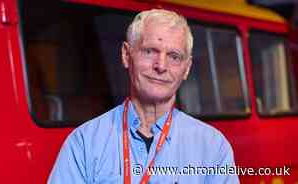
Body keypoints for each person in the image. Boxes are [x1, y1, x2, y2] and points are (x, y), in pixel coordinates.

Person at [48, 9, 239, 184]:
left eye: (174, 56)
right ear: (126, 55)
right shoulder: (84, 143)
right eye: (149, 51)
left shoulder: (213, 147)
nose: (161, 66)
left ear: (186, 68)